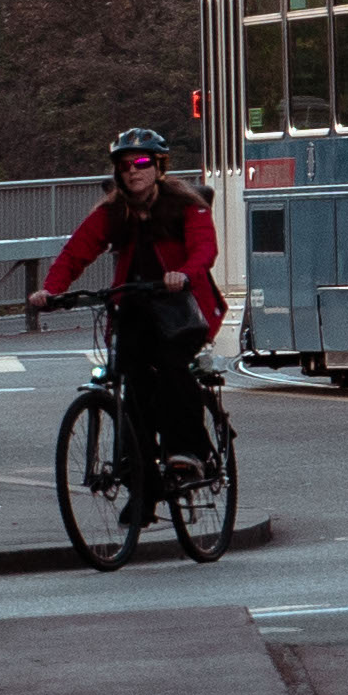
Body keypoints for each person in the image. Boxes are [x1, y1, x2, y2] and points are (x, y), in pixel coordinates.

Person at [29, 131, 224, 473]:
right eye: (124, 165)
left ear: (159, 166)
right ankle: (139, 474)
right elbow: (76, 252)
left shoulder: (186, 204)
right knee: (131, 379)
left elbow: (204, 249)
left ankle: (189, 453)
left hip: (183, 311)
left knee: (170, 368)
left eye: (142, 163)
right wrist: (50, 290)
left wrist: (184, 274)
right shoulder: (113, 212)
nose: (133, 171)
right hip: (133, 310)